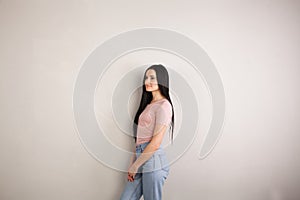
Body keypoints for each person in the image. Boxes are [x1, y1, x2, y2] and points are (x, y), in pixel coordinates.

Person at [120, 64, 175, 200]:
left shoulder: (164, 105)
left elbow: (155, 143)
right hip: (141, 156)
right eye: (146, 77)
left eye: (152, 78)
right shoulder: (148, 105)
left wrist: (135, 165)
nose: (147, 81)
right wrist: (134, 162)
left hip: (154, 160)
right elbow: (139, 139)